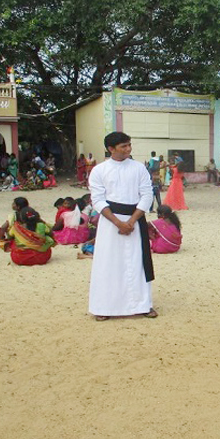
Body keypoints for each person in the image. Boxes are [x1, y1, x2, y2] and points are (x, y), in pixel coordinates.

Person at [88, 132, 157, 321]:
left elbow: (146, 195)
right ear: (111, 149)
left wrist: (132, 221)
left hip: (134, 220)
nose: (128, 149)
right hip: (110, 224)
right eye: (123, 146)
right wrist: (118, 223)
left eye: (129, 145)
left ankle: (143, 304)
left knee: (137, 263)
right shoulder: (99, 171)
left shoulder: (139, 169)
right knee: (108, 264)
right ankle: (104, 306)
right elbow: (98, 199)